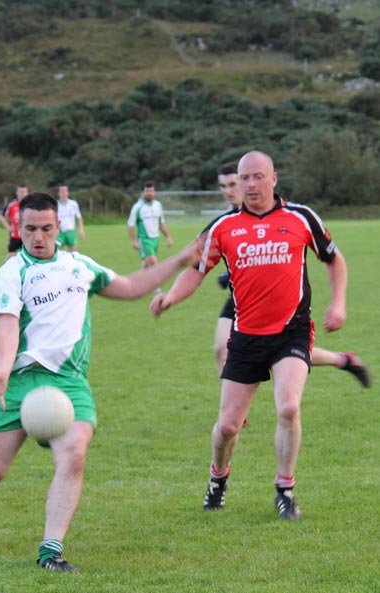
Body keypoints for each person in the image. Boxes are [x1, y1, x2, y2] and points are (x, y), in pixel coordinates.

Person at [0, 192, 205, 571]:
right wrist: (2, 370)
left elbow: (132, 287)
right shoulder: (10, 273)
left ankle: (50, 551)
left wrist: (181, 260)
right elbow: (6, 326)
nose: (38, 237)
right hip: (20, 381)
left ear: (59, 227)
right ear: (18, 228)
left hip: (70, 383)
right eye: (30, 229)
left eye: (47, 229)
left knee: (74, 455)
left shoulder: (79, 265)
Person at [150, 150, 349, 520]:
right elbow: (197, 269)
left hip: (291, 330)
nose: (251, 184)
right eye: (244, 178)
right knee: (226, 427)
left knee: (289, 407)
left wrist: (338, 303)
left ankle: (285, 489)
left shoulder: (301, 217)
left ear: (274, 178)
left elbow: (334, 259)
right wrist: (172, 296)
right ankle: (217, 478)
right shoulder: (223, 227)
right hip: (246, 336)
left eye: (258, 177)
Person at [213, 164, 370, 389]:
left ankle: (342, 359)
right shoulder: (229, 220)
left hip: (281, 300)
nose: (229, 190)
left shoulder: (280, 214)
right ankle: (234, 416)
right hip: (243, 301)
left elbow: (272, 252)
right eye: (223, 186)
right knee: (221, 348)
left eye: (232, 184)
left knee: (285, 351)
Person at [127, 180, 173, 270]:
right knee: (153, 263)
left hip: (155, 239)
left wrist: (168, 237)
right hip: (144, 240)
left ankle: (136, 283)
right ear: (142, 192)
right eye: (147, 191)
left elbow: (161, 222)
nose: (149, 193)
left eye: (151, 191)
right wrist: (134, 241)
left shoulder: (158, 205)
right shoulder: (137, 207)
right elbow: (130, 224)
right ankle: (157, 284)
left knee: (146, 267)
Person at [0, 185, 29, 258]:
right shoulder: (11, 204)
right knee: (11, 255)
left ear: (27, 193)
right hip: (15, 235)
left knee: (27, 256)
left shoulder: (31, 204)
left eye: (24, 192)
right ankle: (6, 269)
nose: (22, 194)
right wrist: (8, 227)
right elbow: (1, 215)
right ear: (17, 193)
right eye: (20, 192)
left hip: (27, 235)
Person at [56, 185, 85, 251]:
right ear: (59, 193)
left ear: (68, 193)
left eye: (65, 191)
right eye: (61, 191)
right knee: (59, 252)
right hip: (59, 231)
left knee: (73, 251)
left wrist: (81, 229)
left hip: (70, 230)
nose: (63, 193)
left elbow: (79, 217)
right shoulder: (55, 204)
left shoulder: (73, 204)